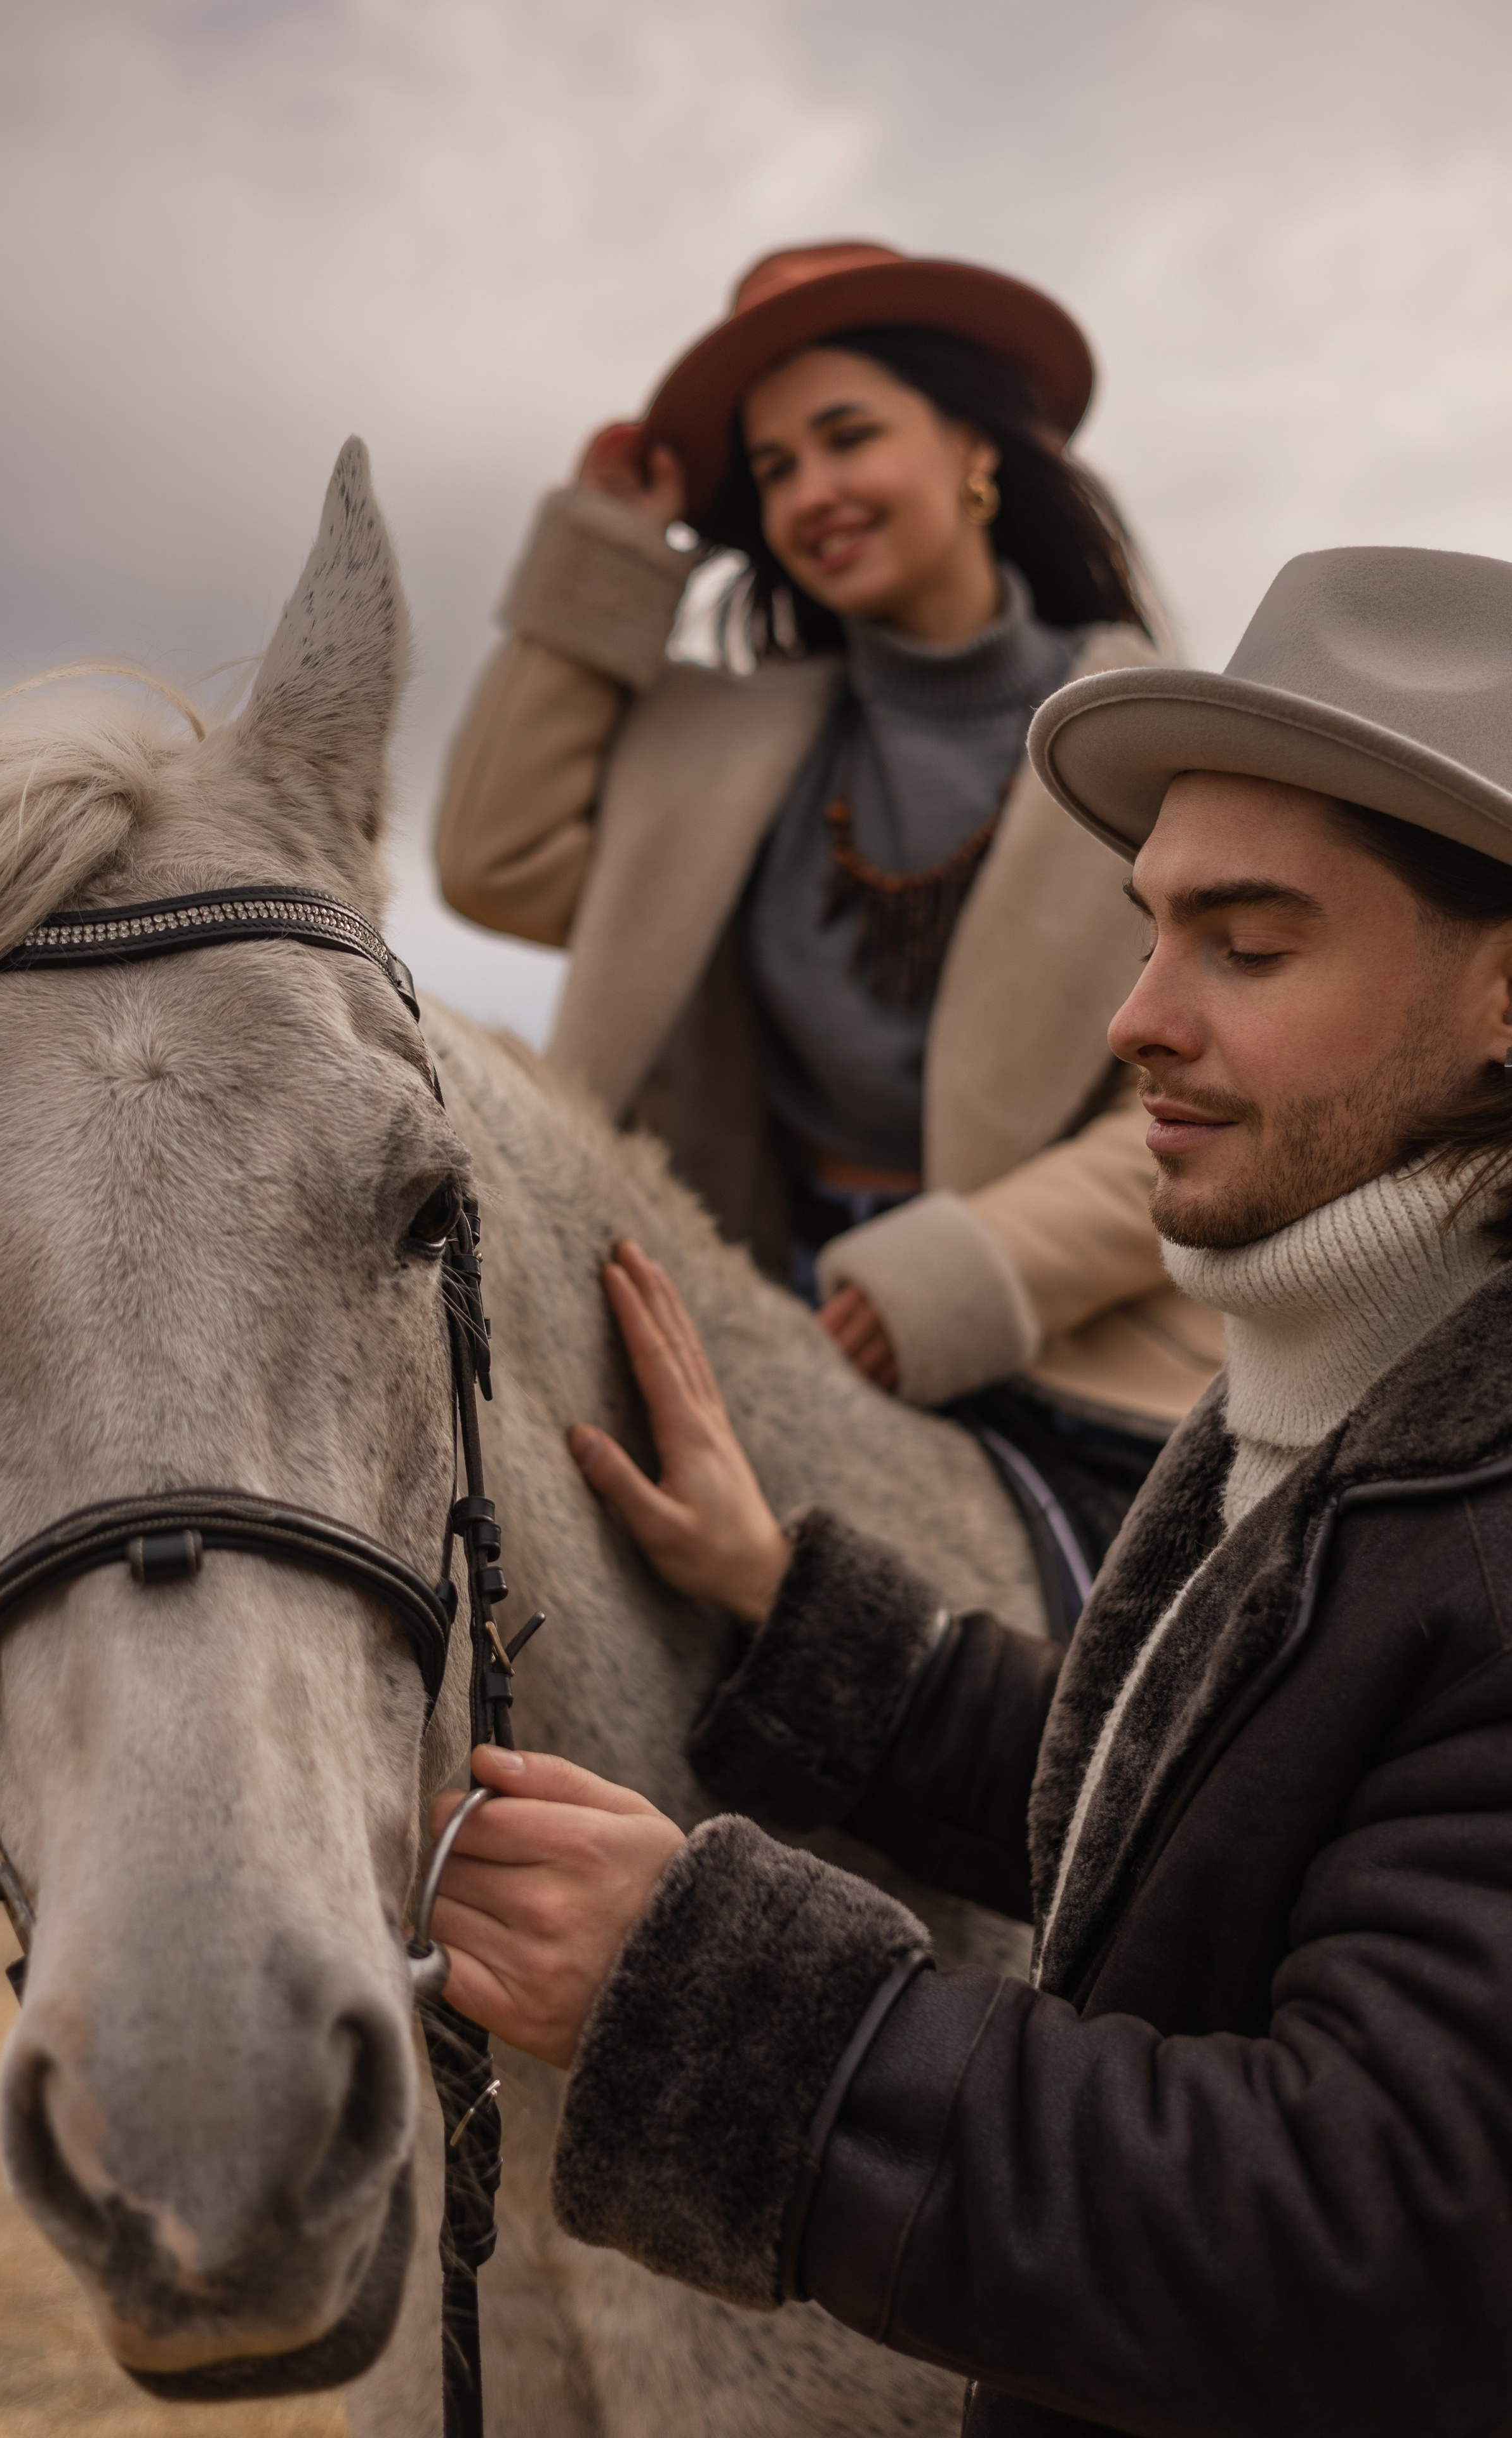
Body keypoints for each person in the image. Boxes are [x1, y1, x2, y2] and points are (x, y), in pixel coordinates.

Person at [427, 545, 1512, 2435]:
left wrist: (705, 1995)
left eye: (1247, 948)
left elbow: (1382, 2235)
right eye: (1149, 930)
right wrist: (803, 1611)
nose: (1137, 1018)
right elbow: (1205, 1821)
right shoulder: (1354, 1382)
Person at [435, 242, 1224, 1590]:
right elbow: (492, 861)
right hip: (731, 1310)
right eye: (774, 468)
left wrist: (957, 1277)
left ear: (978, 447)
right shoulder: (708, 744)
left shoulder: (1161, 739)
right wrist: (610, 547)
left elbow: (1227, 1077)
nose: (810, 492)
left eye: (845, 436)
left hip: (1085, 1340)